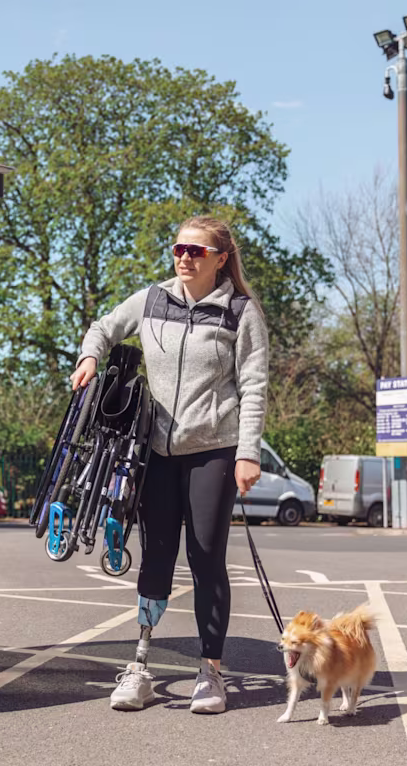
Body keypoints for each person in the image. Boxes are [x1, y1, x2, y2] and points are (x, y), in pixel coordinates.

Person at [70, 215, 269, 714]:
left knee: (206, 558)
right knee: (156, 555)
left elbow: (254, 386)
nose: (184, 257)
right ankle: (140, 665)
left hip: (214, 450)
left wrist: (247, 452)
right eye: (179, 248)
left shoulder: (240, 312)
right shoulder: (152, 299)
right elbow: (103, 328)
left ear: (220, 259)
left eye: (196, 251)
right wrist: (90, 357)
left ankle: (210, 672)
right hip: (154, 452)